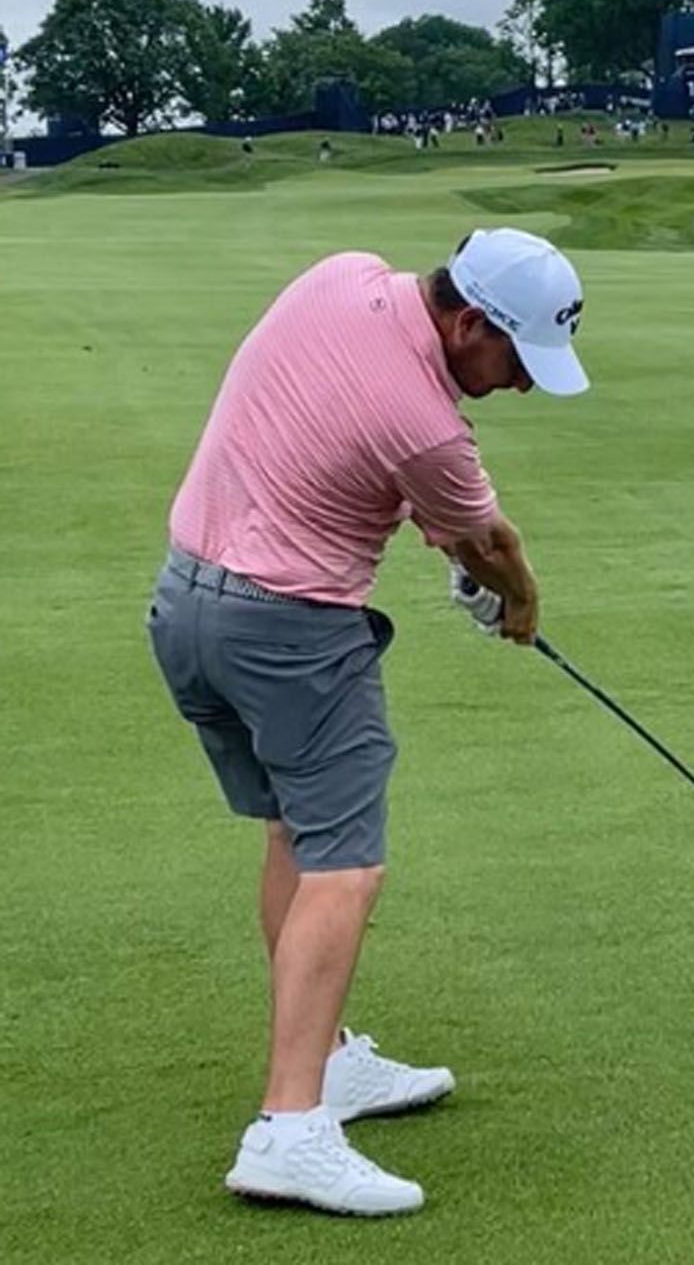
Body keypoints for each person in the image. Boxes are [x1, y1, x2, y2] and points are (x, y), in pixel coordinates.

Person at [146, 230, 588, 1217]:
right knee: (346, 861)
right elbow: (487, 542)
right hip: (287, 629)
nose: (518, 386)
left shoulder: (340, 275)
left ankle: (327, 1060)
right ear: (469, 321)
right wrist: (518, 602)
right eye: (515, 358)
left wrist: (465, 557)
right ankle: (291, 1126)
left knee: (295, 836)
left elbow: (343, 438)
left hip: (185, 606)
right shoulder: (432, 428)